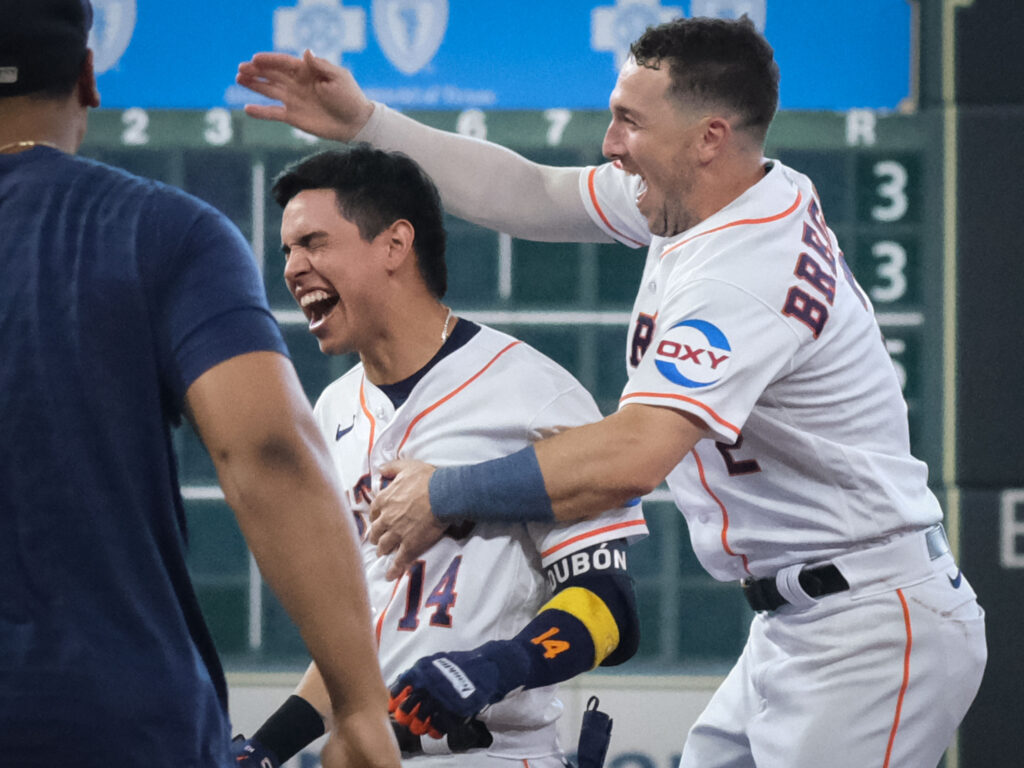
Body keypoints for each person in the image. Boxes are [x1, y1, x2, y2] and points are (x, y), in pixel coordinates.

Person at [238, 15, 989, 768]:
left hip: (871, 625)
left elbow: (634, 455)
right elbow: (528, 191)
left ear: (709, 137)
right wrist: (369, 123)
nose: (610, 143)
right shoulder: (709, 198)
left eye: (630, 121)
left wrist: (446, 491)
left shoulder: (744, 271)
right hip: (802, 620)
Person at [0, 3, 401, 767]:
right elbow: (267, 454)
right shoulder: (159, 230)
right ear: (88, 77)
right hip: (114, 720)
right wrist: (356, 707)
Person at [232, 145, 646, 767]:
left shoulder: (533, 395)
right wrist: (268, 746)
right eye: (288, 249)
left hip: (497, 755)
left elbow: (609, 603)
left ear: (396, 244)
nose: (292, 267)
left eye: (314, 242)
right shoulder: (333, 410)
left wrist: (497, 666)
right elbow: (359, 634)